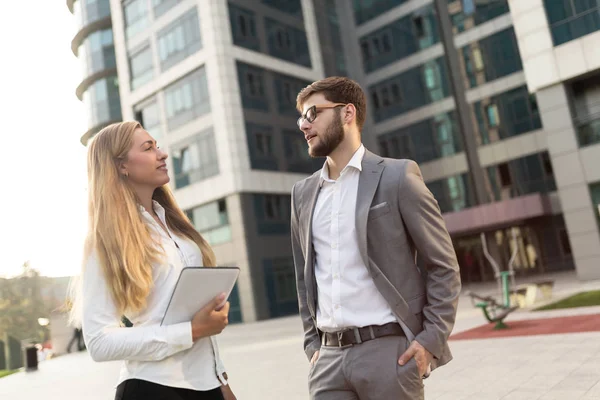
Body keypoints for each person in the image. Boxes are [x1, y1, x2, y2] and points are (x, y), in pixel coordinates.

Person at [290, 77, 462, 400]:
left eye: (312, 113)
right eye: (301, 117)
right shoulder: (302, 194)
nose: (303, 125)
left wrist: (429, 341)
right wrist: (312, 345)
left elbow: (443, 266)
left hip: (390, 355)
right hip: (328, 363)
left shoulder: (397, 177)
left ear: (348, 113)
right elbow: (304, 279)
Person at [69, 121, 236, 400]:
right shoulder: (106, 239)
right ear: (121, 166)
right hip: (152, 388)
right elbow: (98, 342)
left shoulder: (175, 226)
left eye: (157, 146)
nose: (162, 154)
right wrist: (191, 331)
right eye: (148, 148)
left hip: (207, 384)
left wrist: (221, 379)